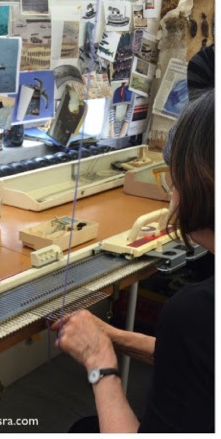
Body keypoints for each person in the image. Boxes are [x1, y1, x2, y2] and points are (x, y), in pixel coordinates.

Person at [51, 87, 214, 433]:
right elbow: (198, 358)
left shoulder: (196, 311)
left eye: (173, 179)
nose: (170, 192)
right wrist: (112, 336)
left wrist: (100, 364)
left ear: (201, 183)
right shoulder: (199, 322)